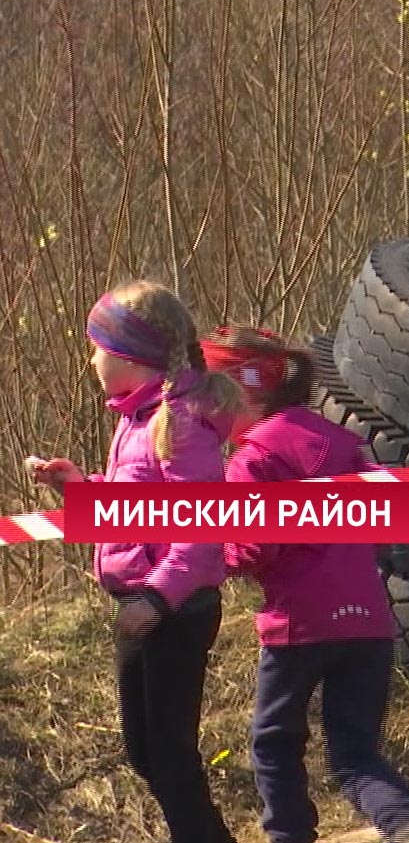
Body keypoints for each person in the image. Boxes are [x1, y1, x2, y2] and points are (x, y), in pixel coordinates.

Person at [200, 325, 409, 843]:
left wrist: (212, 552)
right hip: (370, 624)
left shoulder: (252, 461)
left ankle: (288, 836)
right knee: (355, 754)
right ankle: (404, 824)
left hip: (298, 627)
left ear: (236, 392)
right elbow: (386, 516)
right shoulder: (342, 444)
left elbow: (253, 547)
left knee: (273, 743)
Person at [26, 279, 243, 843]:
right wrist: (79, 489)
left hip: (174, 609)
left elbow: (202, 525)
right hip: (144, 605)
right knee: (147, 754)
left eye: (96, 347)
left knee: (169, 759)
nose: (90, 357)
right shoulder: (136, 419)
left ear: (128, 357)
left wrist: (156, 597)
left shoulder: (181, 422)